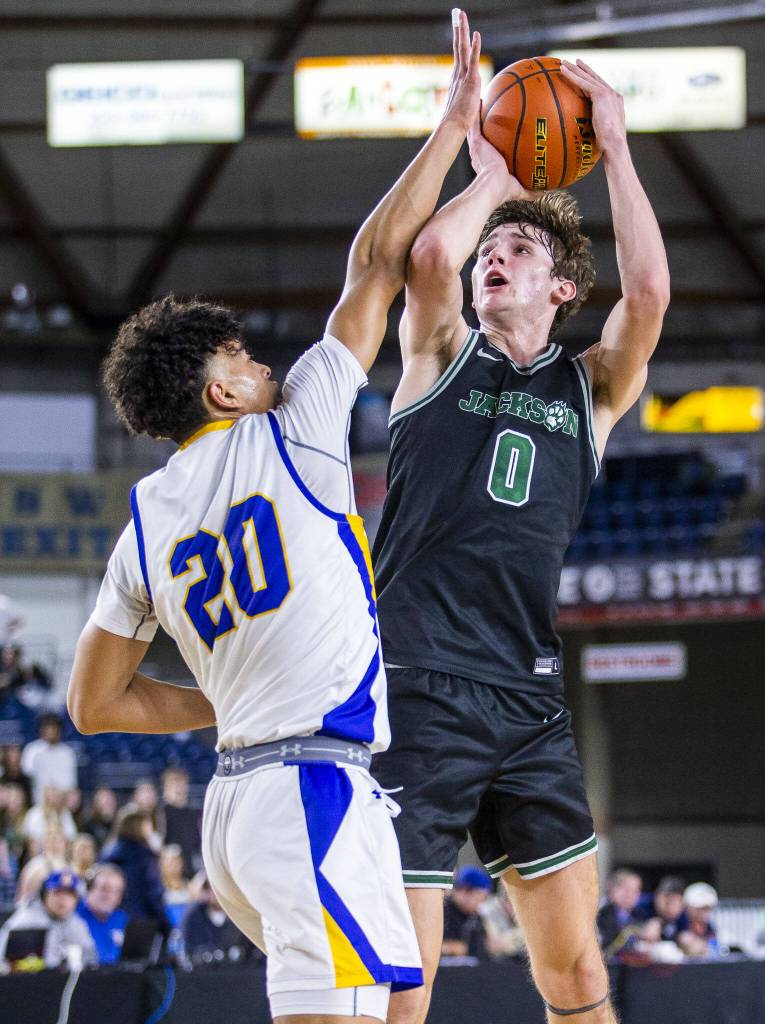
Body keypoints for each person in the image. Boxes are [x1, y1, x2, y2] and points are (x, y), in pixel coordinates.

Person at [67, 12, 485, 1022]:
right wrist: (452, 131)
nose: (260, 362)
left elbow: (95, 705)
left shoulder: (143, 527)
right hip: (304, 791)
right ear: (219, 393)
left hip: (248, 799)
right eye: (240, 358)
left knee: (401, 1003)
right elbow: (378, 264)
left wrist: (229, 699)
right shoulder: (296, 424)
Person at [370, 24, 670, 1024]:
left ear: (563, 288)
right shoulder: (441, 351)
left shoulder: (589, 391)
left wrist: (618, 145)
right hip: (418, 687)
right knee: (404, 992)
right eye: (492, 250)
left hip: (528, 700)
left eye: (521, 250)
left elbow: (654, 295)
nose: (495, 256)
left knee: (578, 979)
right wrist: (489, 177)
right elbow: (426, 260)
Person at [0, 869, 96, 969]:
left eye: (69, 894)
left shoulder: (76, 923)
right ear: (44, 895)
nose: (63, 899)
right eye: (57, 892)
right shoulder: (25, 921)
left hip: (63, 982)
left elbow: (90, 959)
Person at [98, 804, 166, 929]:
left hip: (109, 917)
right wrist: (165, 924)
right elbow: (152, 893)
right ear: (140, 826)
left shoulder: (108, 850)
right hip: (141, 920)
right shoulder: (144, 855)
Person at [181, 871, 256, 965]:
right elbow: (190, 949)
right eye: (210, 888)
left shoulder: (239, 915)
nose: (215, 894)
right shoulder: (194, 917)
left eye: (219, 888)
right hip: (203, 972)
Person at [20, 713, 78, 805]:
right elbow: (27, 778)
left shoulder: (67, 753)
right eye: (47, 728)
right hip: (38, 804)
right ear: (41, 730)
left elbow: (70, 784)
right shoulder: (32, 750)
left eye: (54, 728)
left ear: (60, 730)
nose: (51, 731)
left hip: (62, 804)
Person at [76, 864, 128, 965]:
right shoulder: (73, 917)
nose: (110, 896)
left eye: (117, 891)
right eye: (105, 889)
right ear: (88, 889)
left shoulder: (122, 919)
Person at [441, 865, 492, 959]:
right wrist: (448, 948)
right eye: (478, 897)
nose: (480, 903)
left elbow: (480, 950)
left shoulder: (475, 917)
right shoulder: (442, 912)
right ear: (463, 891)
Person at [160, 767, 201, 876]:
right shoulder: (160, 812)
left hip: (192, 871)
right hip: (169, 873)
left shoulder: (194, 813)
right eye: (174, 783)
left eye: (182, 783)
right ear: (166, 787)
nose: (179, 788)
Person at [596, 869, 643, 959]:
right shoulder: (599, 913)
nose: (630, 894)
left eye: (635, 890)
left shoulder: (638, 915)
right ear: (611, 888)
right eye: (626, 888)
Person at [677, 882, 720, 958]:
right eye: (700, 909)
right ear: (688, 907)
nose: (704, 913)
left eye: (707, 908)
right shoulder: (678, 921)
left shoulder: (708, 925)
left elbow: (713, 946)